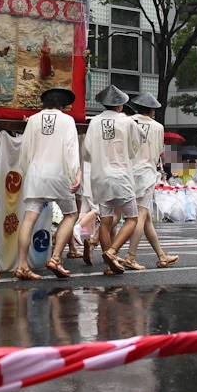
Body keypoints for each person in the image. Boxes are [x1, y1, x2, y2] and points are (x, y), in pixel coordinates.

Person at [13, 86, 81, 280]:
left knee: (29, 219)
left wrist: (27, 171)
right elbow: (70, 149)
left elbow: (25, 151)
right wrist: (76, 172)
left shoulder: (33, 120)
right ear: (61, 105)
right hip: (59, 174)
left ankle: (22, 265)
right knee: (71, 214)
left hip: (36, 174)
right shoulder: (67, 120)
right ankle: (56, 258)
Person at [83, 85, 141, 274]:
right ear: (120, 106)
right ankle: (113, 252)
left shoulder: (94, 122)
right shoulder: (127, 122)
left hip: (100, 176)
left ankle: (109, 263)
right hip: (121, 175)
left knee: (106, 222)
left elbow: (87, 152)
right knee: (132, 218)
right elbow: (135, 147)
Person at [123, 93, 178, 270]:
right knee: (140, 215)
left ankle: (161, 255)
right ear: (152, 110)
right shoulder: (157, 127)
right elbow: (157, 152)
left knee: (145, 218)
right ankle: (130, 256)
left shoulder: (128, 121)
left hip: (129, 171)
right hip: (146, 172)